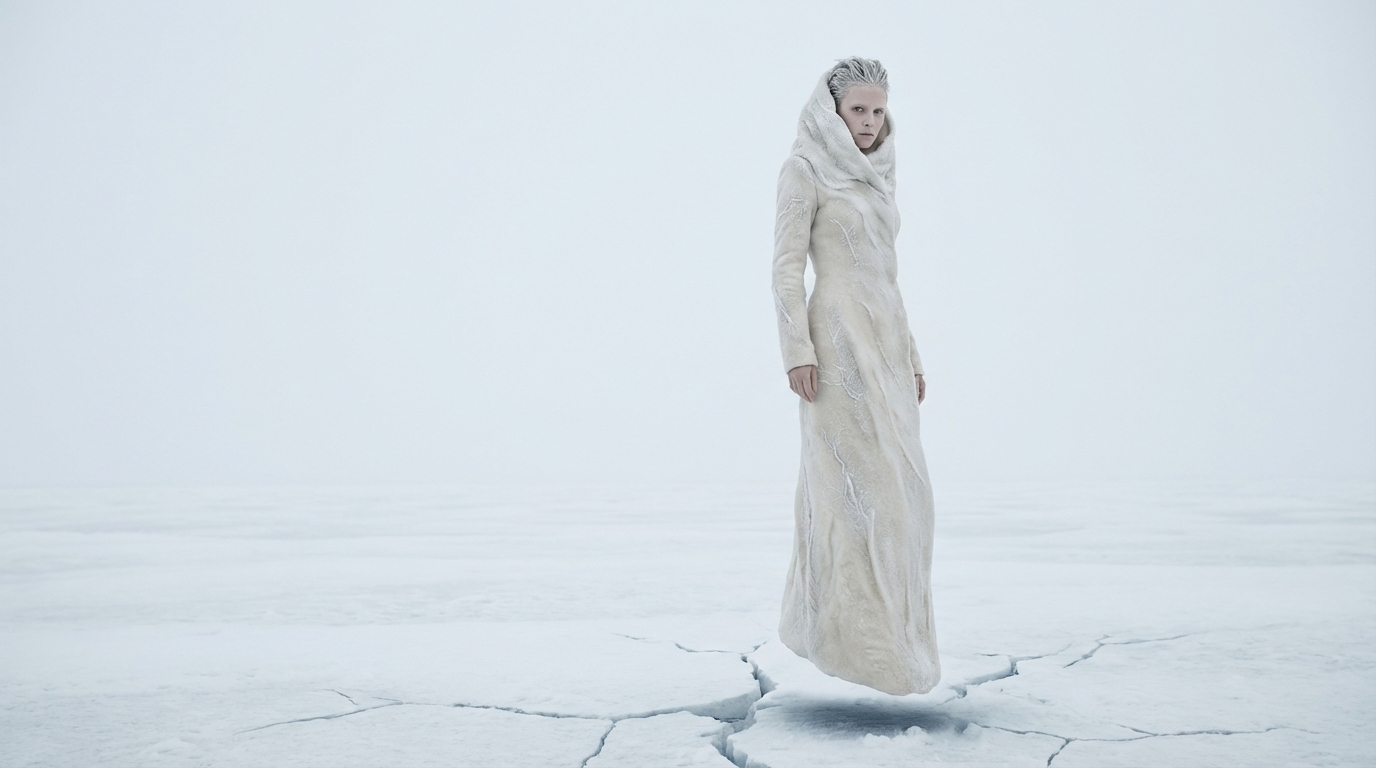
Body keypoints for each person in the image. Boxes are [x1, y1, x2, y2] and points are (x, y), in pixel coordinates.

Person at [771, 57, 939, 695]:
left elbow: (888, 282)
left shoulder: (878, 180)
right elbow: (787, 267)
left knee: (907, 502)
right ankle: (858, 650)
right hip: (835, 347)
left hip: (887, 346)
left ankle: (899, 652)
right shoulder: (804, 170)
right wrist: (798, 351)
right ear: (831, 110)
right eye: (858, 110)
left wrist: (913, 360)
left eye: (878, 110)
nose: (869, 123)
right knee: (852, 496)